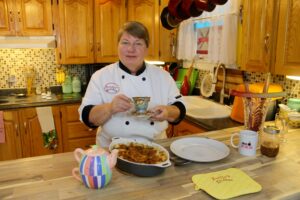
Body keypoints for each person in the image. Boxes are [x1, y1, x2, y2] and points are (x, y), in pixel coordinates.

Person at [79, 21, 186, 147]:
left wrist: (168, 112)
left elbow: (180, 109)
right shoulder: (101, 76)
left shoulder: (163, 77)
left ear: (146, 49)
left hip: (154, 148)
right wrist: (110, 108)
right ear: (117, 46)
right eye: (125, 43)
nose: (131, 49)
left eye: (138, 43)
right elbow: (87, 117)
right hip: (111, 149)